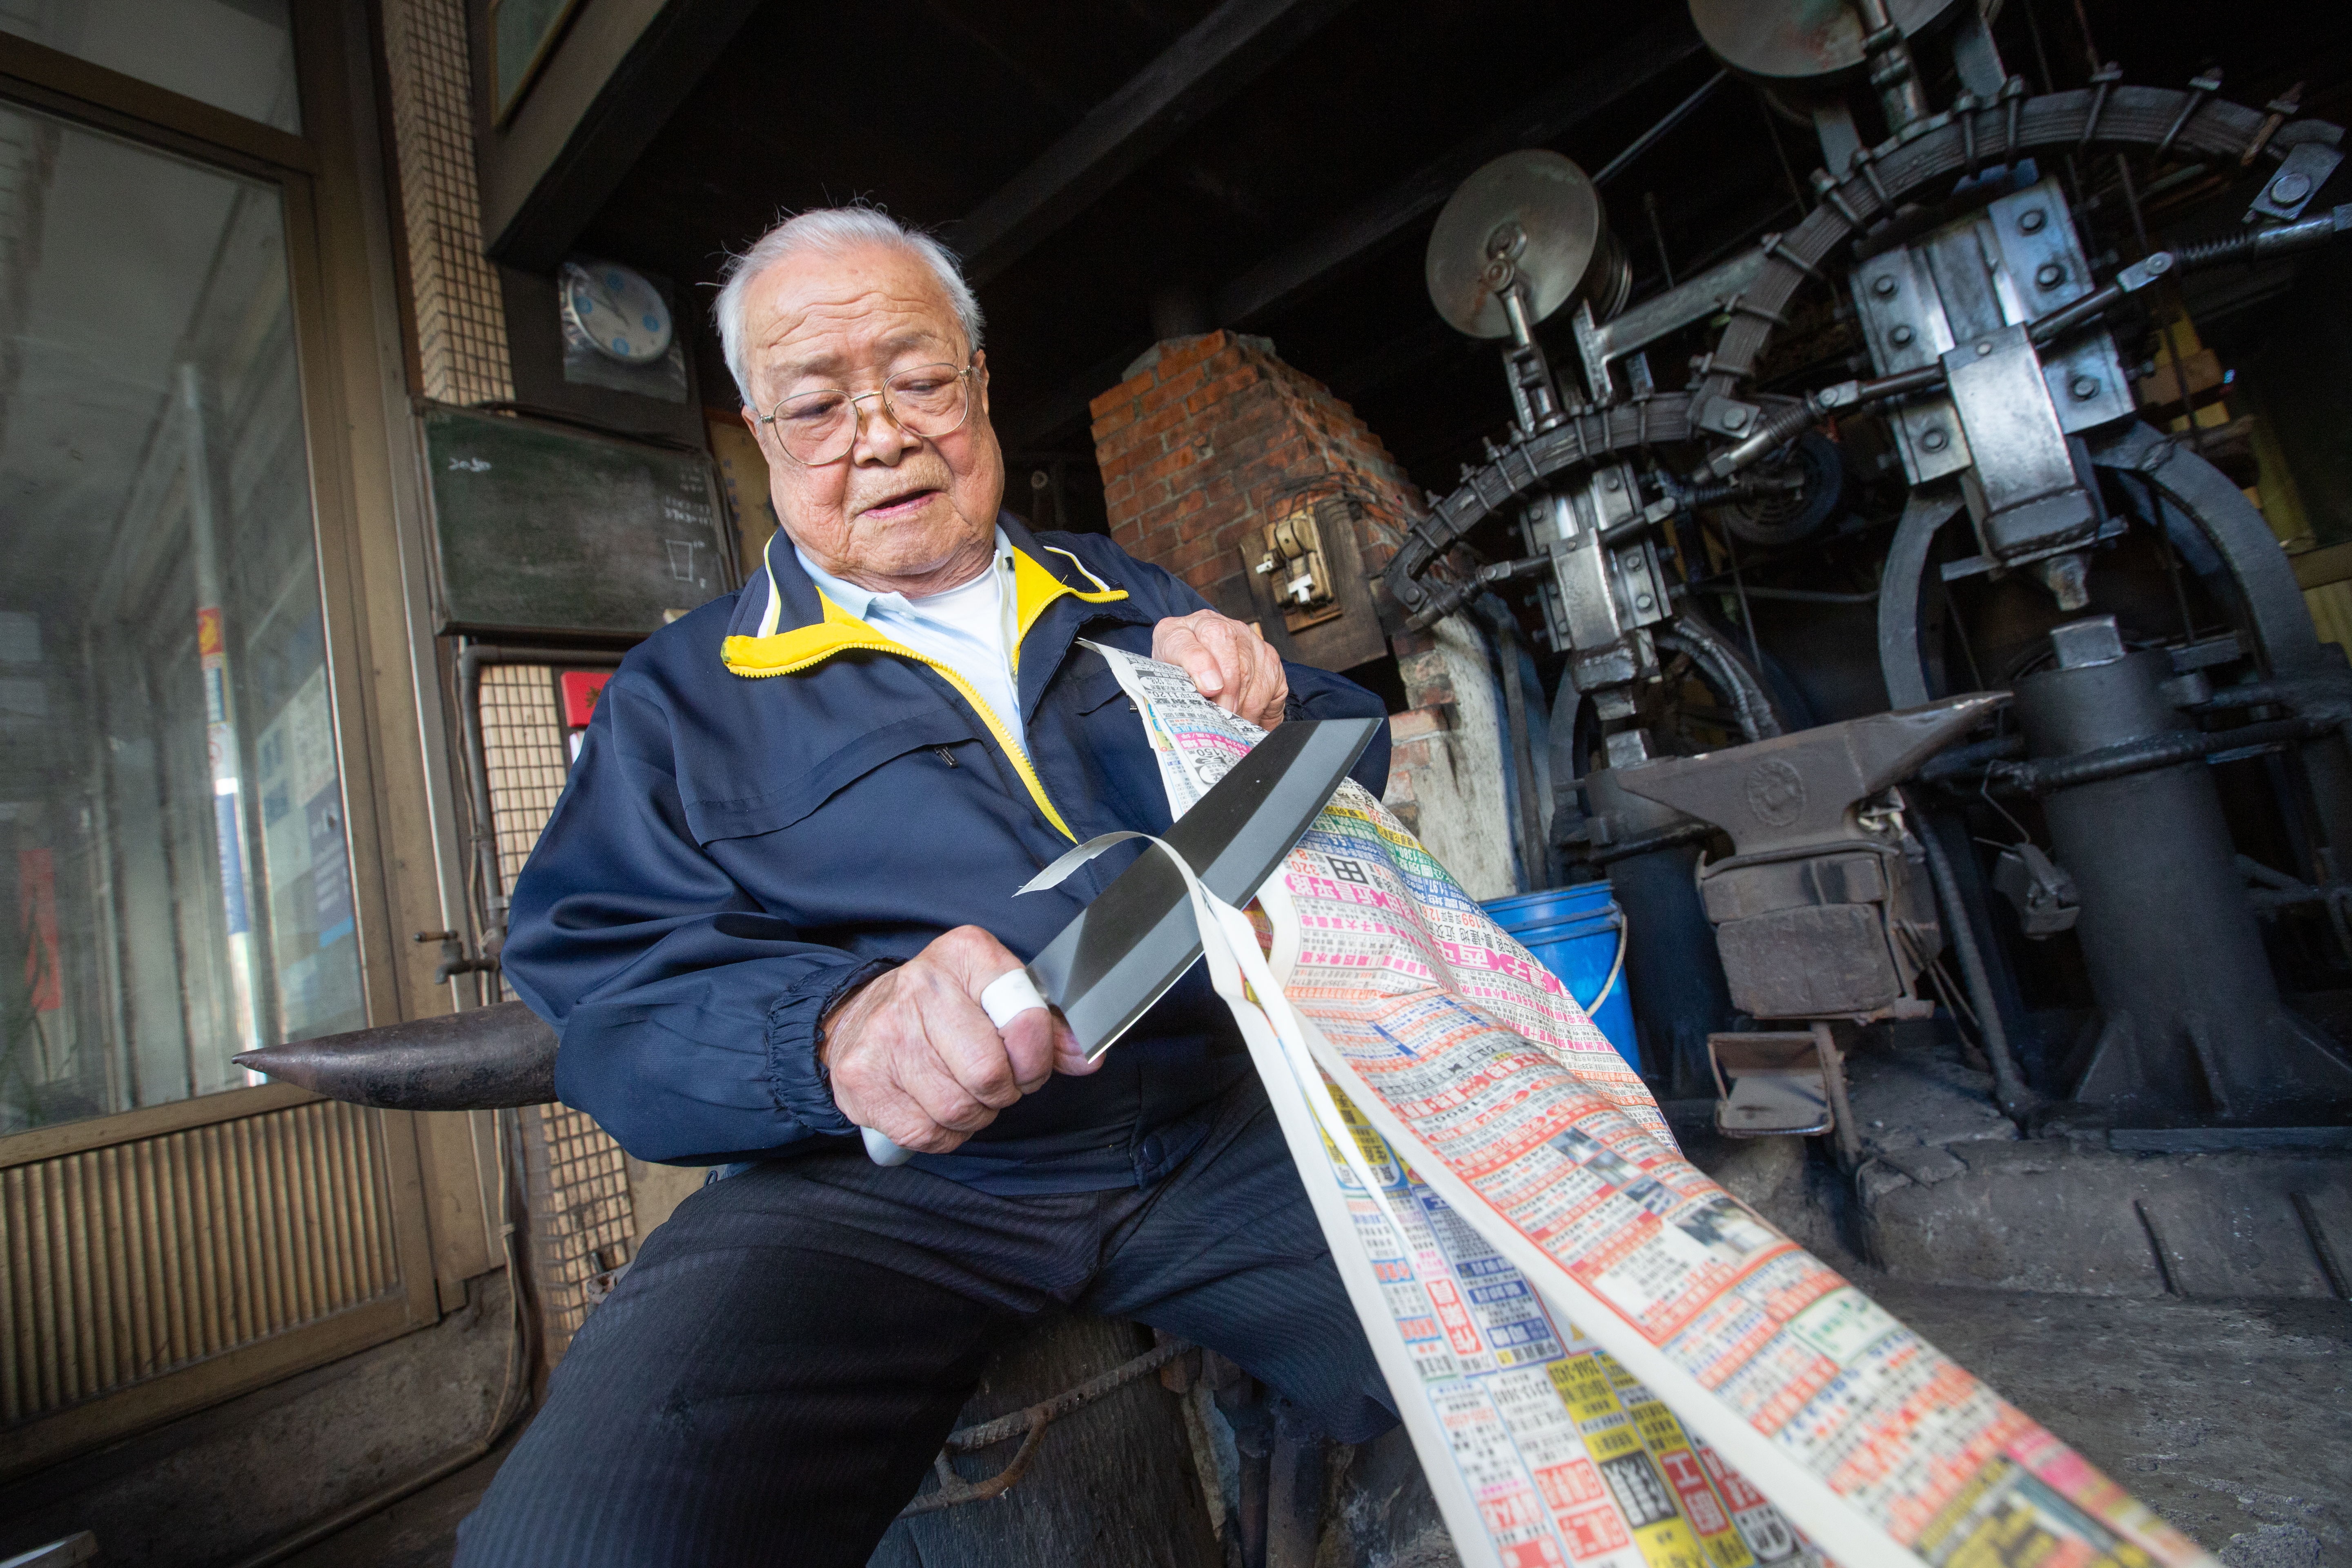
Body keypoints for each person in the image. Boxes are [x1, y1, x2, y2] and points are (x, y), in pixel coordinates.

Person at [454, 207, 1398, 1566]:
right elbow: (600, 977)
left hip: (1215, 1117)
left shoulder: (1116, 591)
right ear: (761, 436)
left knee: (1565, 1345)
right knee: (580, 1544)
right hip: (875, 1192)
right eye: (818, 404)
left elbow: (1336, 742)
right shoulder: (685, 694)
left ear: (980, 385)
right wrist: (828, 1035)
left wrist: (1255, 682)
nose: (882, 435)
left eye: (916, 378)